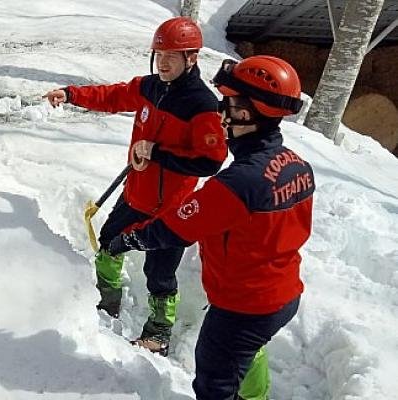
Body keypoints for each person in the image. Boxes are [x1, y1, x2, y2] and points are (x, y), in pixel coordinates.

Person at [106, 55, 312, 399]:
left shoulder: (237, 184)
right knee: (246, 353)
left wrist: (127, 238)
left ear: (245, 113)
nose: (220, 114)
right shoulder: (297, 165)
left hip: (242, 307)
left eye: (226, 105)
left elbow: (175, 227)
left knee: (215, 382)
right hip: (284, 295)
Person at [45, 17, 227, 355]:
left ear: (193, 58)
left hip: (172, 211)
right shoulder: (150, 87)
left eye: (172, 55)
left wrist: (158, 153)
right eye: (159, 55)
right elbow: (113, 96)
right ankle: (105, 301)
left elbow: (210, 161)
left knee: (160, 275)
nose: (163, 62)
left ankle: (157, 334)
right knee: (108, 247)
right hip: (135, 195)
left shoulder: (202, 105)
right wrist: (71, 94)